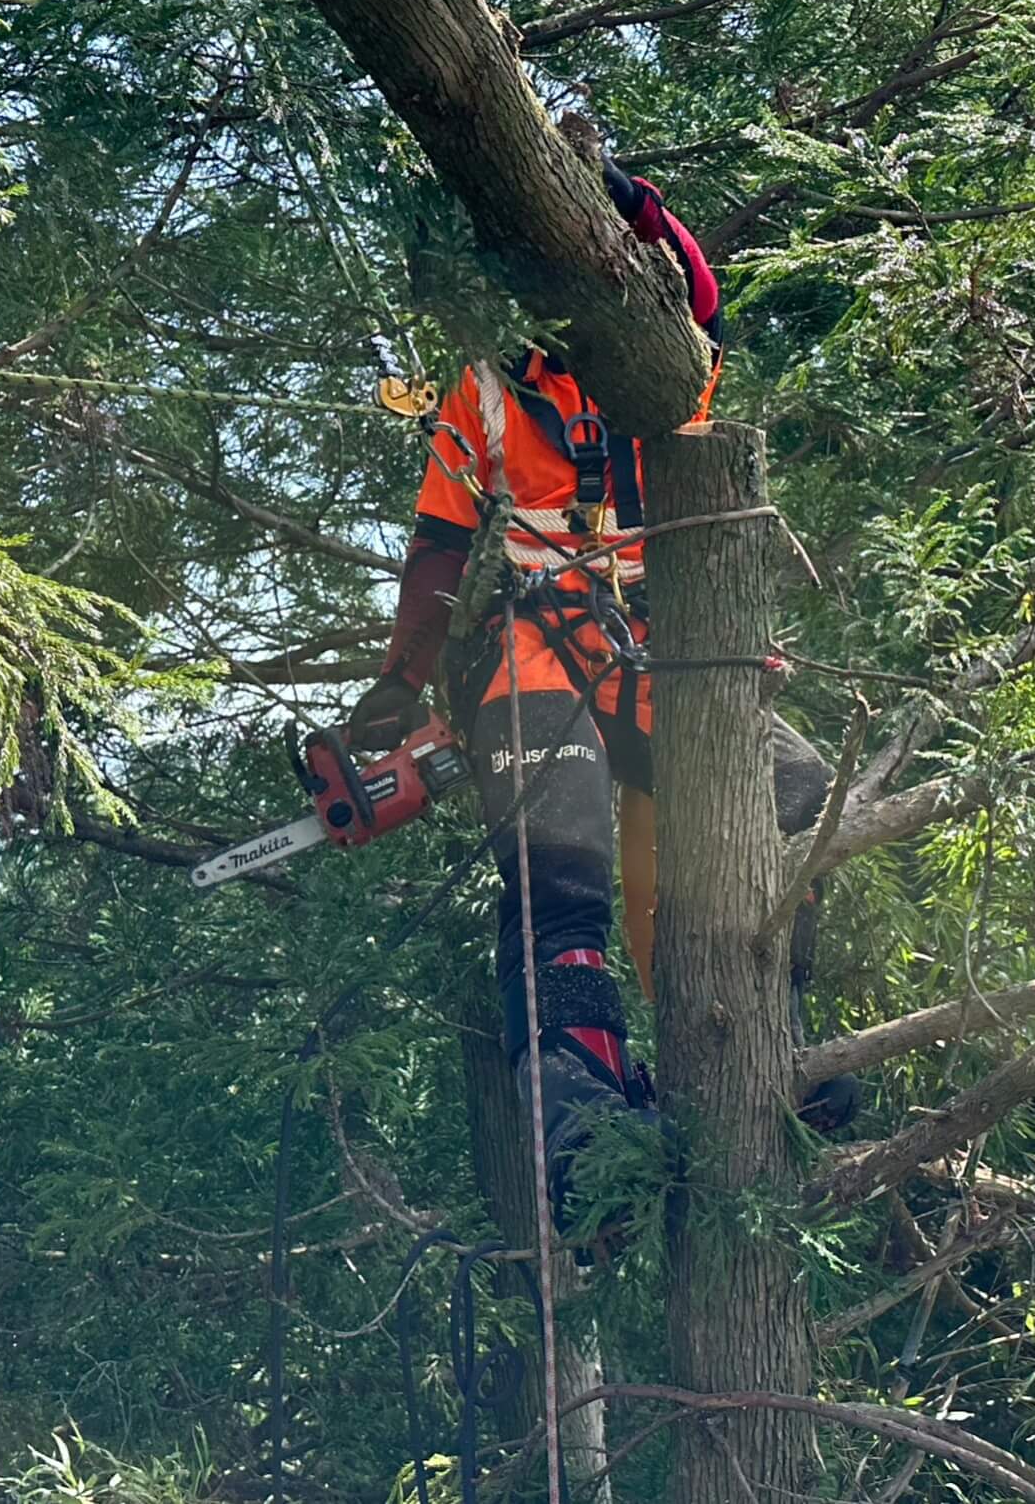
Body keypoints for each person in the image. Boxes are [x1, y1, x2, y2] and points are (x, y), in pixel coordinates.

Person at [347, 119, 859, 1235]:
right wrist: (401, 684)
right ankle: (579, 1124)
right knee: (560, 863)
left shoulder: (671, 354)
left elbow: (698, 283)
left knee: (803, 790)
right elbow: (441, 549)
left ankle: (776, 1038)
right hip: (536, 650)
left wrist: (611, 189)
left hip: (662, 646)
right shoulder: (481, 390)